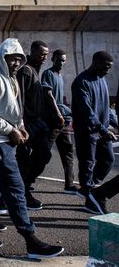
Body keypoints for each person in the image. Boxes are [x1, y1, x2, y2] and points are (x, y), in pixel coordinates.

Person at [0, 38, 64, 259]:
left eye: (18, 59)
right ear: (2, 57)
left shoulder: (10, 79)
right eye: (11, 58)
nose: (14, 63)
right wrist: (9, 130)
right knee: (15, 188)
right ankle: (31, 240)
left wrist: (20, 127)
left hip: (4, 139)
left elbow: (13, 110)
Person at [71, 51, 116, 212]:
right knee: (87, 163)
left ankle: (89, 188)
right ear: (96, 63)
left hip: (101, 130)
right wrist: (102, 130)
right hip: (87, 131)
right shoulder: (81, 82)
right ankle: (88, 192)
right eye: (106, 67)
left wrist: (115, 123)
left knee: (108, 160)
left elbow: (107, 107)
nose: (108, 70)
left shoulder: (102, 79)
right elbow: (86, 112)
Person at [16, 40, 51, 210]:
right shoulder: (25, 71)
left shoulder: (35, 70)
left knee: (43, 156)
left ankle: (24, 186)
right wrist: (21, 125)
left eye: (46, 54)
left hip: (37, 123)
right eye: (42, 54)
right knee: (23, 160)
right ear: (33, 52)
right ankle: (22, 192)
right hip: (27, 124)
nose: (45, 57)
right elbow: (19, 100)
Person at [41, 49, 78, 194]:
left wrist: (65, 111)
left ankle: (69, 184)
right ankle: (26, 182)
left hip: (62, 122)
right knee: (43, 154)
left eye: (63, 61)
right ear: (53, 59)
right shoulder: (48, 74)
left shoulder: (60, 76)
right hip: (53, 121)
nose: (61, 63)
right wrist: (58, 114)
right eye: (59, 60)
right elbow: (49, 95)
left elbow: (58, 97)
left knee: (68, 152)